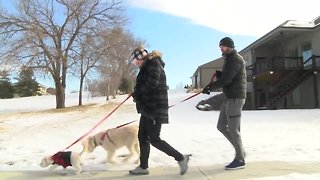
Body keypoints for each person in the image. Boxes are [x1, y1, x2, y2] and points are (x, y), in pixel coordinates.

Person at [129, 46, 190, 175]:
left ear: (141, 58)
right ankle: (143, 167)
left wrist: (138, 93)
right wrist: (137, 94)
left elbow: (152, 84)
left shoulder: (153, 64)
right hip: (147, 108)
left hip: (155, 108)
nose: (136, 64)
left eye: (136, 61)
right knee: (142, 137)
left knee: (154, 139)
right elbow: (145, 86)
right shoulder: (147, 66)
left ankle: (181, 158)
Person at [202, 37, 247, 170]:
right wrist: (219, 76)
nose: (221, 48)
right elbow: (228, 76)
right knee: (221, 126)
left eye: (223, 46)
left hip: (235, 98)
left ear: (230, 46)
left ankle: (240, 159)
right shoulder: (229, 59)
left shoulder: (235, 59)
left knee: (234, 129)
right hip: (228, 97)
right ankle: (241, 151)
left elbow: (227, 79)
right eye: (220, 46)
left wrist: (211, 86)